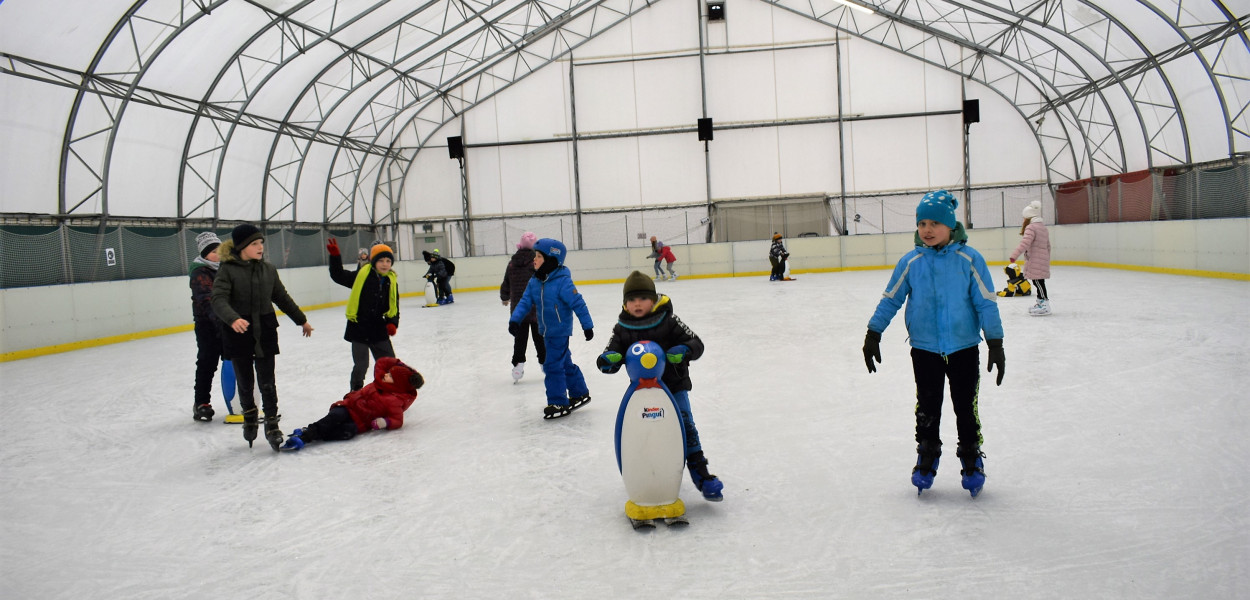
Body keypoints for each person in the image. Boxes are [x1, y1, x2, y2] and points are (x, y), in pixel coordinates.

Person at [861, 190, 1005, 497]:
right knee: (927, 406)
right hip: (924, 349)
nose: (927, 229)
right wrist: (874, 333)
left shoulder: (969, 259)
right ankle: (927, 453)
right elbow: (891, 299)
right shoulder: (911, 262)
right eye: (922, 223)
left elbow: (986, 302)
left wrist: (995, 342)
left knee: (966, 407)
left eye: (935, 223)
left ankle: (971, 455)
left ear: (950, 225)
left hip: (964, 348)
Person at [596, 271, 723, 501]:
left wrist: (684, 350)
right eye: (631, 299)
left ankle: (701, 474)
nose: (637, 304)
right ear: (625, 303)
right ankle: (647, 472)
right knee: (642, 431)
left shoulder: (669, 320)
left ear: (653, 300)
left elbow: (696, 343)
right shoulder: (622, 327)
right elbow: (611, 352)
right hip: (642, 392)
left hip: (674, 385)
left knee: (686, 427)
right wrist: (608, 361)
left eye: (643, 298)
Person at [211, 223, 315, 451]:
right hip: (239, 333)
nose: (260, 247)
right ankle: (249, 417)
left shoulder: (268, 269)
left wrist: (301, 320)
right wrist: (233, 319)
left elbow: (281, 297)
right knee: (245, 382)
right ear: (241, 247)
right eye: (254, 244)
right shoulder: (227, 270)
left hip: (265, 330)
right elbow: (218, 299)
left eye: (261, 243)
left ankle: (272, 424)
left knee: (267, 382)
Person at [507, 238, 594, 419]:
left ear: (551, 260)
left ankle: (558, 402)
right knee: (564, 363)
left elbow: (578, 303)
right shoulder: (535, 281)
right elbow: (525, 302)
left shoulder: (562, 282)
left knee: (552, 365)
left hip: (560, 330)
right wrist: (515, 320)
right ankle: (580, 392)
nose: (534, 259)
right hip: (545, 331)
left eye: (539, 256)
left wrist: (587, 326)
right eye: (535, 256)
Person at [282, 357, 423, 451]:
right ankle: (306, 436)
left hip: (360, 421)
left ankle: (313, 434)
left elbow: (398, 420)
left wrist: (384, 422)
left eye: (390, 376)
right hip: (349, 406)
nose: (386, 374)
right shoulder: (379, 380)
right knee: (335, 417)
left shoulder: (395, 400)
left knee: (347, 431)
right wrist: (402, 365)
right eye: (388, 373)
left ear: (398, 383)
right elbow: (382, 362)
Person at [326, 238, 399, 391]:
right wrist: (335, 257)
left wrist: (392, 322)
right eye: (381, 260)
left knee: (389, 362)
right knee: (361, 365)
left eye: (388, 261)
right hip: (359, 327)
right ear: (373, 261)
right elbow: (338, 275)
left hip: (378, 327)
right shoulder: (361, 276)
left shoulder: (390, 281)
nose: (385, 264)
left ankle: (387, 389)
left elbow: (394, 305)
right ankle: (355, 391)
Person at [189, 231, 227, 422]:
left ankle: (242, 400)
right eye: (212, 251)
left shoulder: (226, 268)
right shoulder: (200, 272)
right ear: (204, 254)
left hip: (229, 322)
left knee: (236, 362)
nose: (217, 254)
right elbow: (206, 299)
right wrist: (221, 320)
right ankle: (201, 403)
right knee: (207, 363)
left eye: (219, 250)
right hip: (208, 325)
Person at [501, 232, 545, 382]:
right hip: (536, 307)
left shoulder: (512, 263)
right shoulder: (537, 262)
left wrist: (505, 297)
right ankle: (545, 364)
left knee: (520, 339)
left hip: (518, 308)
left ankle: (517, 367)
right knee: (540, 338)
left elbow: (506, 282)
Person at [1010, 200, 1052, 316]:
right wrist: (1046, 259)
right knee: (1038, 282)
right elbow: (1048, 246)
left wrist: (1014, 255)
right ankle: (1040, 302)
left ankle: (1045, 304)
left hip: (1035, 260)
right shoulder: (1042, 227)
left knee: (1038, 282)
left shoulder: (1031, 228)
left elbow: (1025, 243)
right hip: (1041, 260)